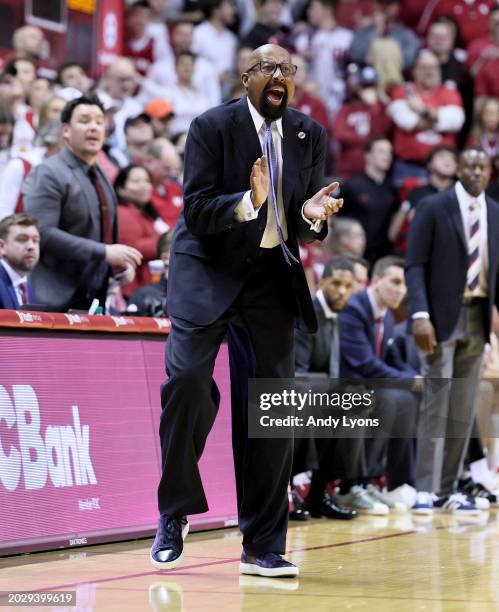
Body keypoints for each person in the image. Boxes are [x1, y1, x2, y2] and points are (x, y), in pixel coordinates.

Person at [150, 43, 343, 578]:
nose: (278, 76)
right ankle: (175, 510)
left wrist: (311, 214)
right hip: (207, 266)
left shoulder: (308, 133)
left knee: (272, 410)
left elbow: (303, 222)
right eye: (267, 68)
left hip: (269, 277)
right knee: (187, 381)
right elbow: (195, 208)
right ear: (246, 77)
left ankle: (261, 544)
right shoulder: (211, 127)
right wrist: (251, 202)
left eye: (286, 69)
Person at [406, 147, 499, 514]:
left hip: (477, 315)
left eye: (483, 166)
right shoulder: (433, 206)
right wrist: (419, 314)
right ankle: (424, 489)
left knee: (462, 407)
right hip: (440, 318)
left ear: (489, 172)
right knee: (436, 402)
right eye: (470, 165)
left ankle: (446, 489)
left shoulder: (495, 212)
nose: (477, 172)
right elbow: (414, 265)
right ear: (458, 169)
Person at [23, 94, 142, 312]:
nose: (94, 127)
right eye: (84, 120)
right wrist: (104, 252)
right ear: (66, 130)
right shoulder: (48, 172)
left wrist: (115, 265)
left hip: (92, 297)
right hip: (53, 299)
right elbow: (42, 233)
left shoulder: (101, 174)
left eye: (99, 121)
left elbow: (101, 235)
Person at [337, 256, 420, 513]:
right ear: (375, 281)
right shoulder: (355, 308)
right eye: (395, 282)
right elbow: (363, 363)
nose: (401, 290)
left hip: (369, 385)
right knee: (393, 398)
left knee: (407, 398)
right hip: (344, 385)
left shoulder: (388, 318)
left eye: (405, 285)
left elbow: (393, 361)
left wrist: (417, 379)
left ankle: (390, 481)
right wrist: (409, 381)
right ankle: (352, 485)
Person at [294, 257, 359, 520]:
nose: (342, 291)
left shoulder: (338, 315)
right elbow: (297, 372)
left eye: (347, 285)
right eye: (335, 284)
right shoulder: (308, 313)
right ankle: (291, 493)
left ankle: (320, 493)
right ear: (321, 283)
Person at [339, 138, 398, 265]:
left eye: (390, 152)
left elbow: (395, 215)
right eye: (381, 151)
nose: (387, 156)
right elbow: (335, 218)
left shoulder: (391, 188)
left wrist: (390, 239)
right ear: (368, 156)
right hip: (353, 254)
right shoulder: (352, 186)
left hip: (382, 254)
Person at [115, 164, 166, 296]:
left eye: (147, 181)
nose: (144, 186)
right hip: (134, 289)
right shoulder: (122, 212)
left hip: (151, 286)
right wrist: (169, 241)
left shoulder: (149, 214)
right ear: (121, 188)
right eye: (136, 181)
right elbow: (132, 248)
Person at [0, 213, 39, 308]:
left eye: (35, 240)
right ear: (1, 246)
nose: (31, 246)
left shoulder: (27, 287)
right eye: (22, 239)